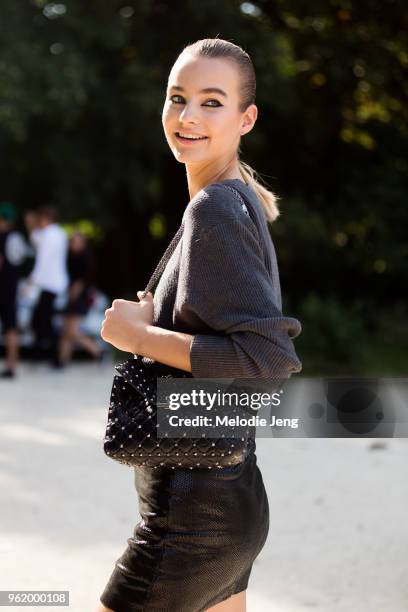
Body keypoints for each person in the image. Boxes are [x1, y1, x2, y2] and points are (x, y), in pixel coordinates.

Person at [98, 38, 302, 612]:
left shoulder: (214, 208)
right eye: (177, 98)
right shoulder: (234, 202)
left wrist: (135, 336)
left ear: (247, 117)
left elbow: (267, 358)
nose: (187, 116)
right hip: (228, 501)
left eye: (212, 102)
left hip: (189, 519)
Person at [25, 205, 69, 365]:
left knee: (43, 322)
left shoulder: (49, 235)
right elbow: (36, 239)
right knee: (41, 320)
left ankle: (52, 357)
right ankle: (43, 355)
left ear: (45, 219)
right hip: (55, 284)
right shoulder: (60, 234)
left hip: (50, 284)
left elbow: (42, 260)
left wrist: (32, 280)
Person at [56, 231, 102, 367]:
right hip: (71, 296)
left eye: (77, 242)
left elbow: (81, 282)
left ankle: (97, 351)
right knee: (66, 331)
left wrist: (73, 294)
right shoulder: (70, 257)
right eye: (73, 241)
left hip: (78, 298)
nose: (74, 244)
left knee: (71, 331)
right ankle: (62, 360)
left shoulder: (85, 258)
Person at [0, 201, 29, 378]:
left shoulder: (2, 237)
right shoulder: (17, 238)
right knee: (11, 327)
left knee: (10, 328)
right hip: (11, 288)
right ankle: (12, 365)